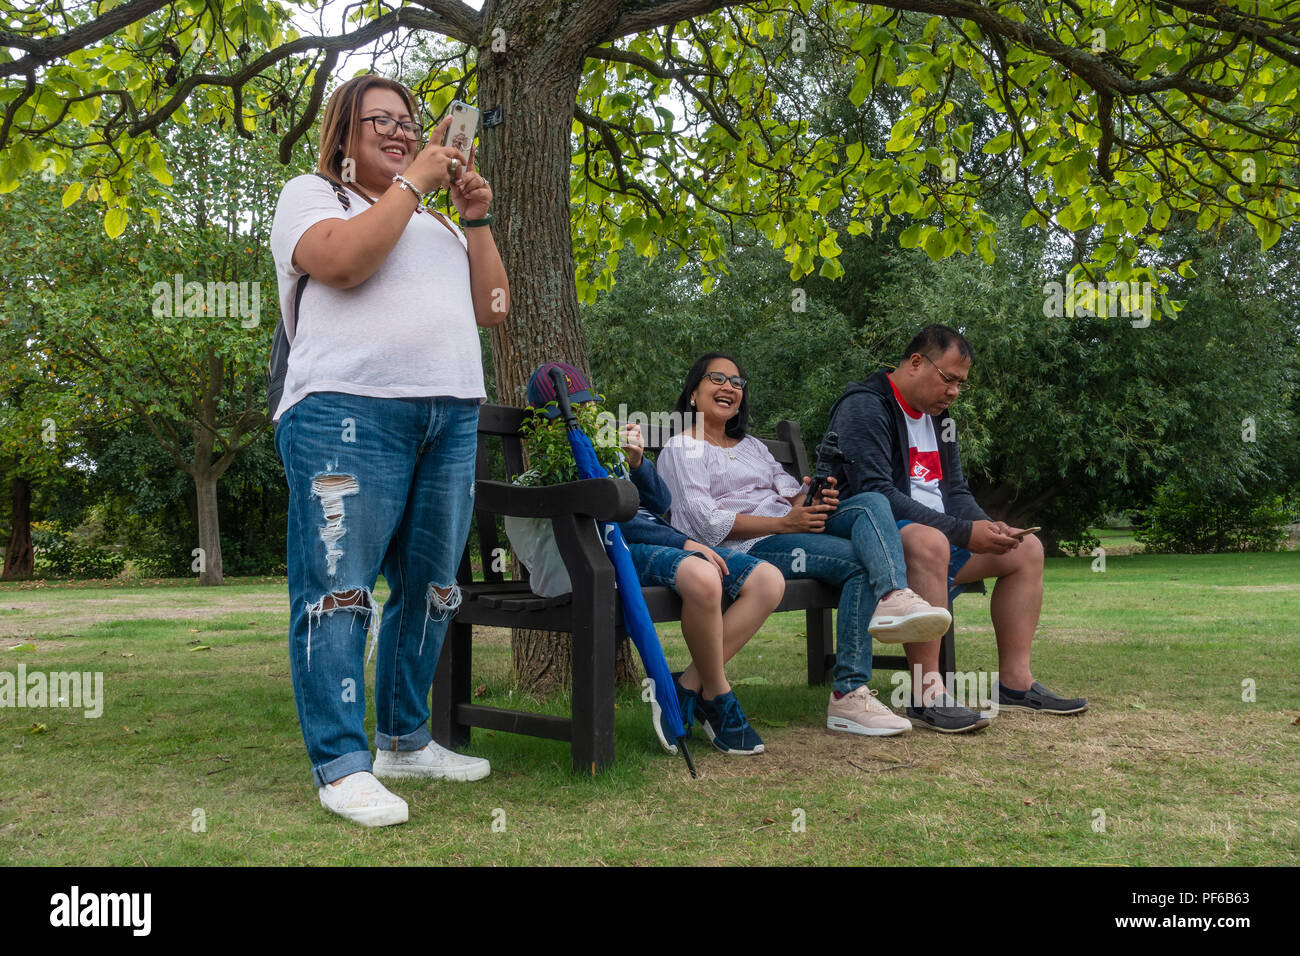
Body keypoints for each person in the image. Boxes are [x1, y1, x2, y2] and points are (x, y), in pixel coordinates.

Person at [269, 74, 509, 826]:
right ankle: (341, 765)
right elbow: (344, 265)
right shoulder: (312, 197)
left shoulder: (435, 223)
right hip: (345, 412)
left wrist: (474, 220)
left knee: (433, 588)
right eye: (383, 120)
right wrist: (413, 182)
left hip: (448, 416)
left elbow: (492, 309)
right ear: (343, 133)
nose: (403, 131)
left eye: (410, 122)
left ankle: (405, 739)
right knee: (338, 590)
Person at [657, 353, 953, 738]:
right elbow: (706, 524)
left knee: (872, 502)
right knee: (860, 565)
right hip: (748, 547)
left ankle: (894, 594)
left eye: (737, 382)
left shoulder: (751, 447)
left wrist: (811, 499)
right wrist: (785, 521)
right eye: (717, 378)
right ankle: (849, 691)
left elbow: (789, 494)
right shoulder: (682, 448)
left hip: (789, 529)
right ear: (693, 392)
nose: (729, 387)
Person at [826, 324, 1088, 733]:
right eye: (948, 380)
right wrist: (963, 532)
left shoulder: (940, 420)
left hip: (938, 539)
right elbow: (874, 493)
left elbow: (956, 492)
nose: (953, 393)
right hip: (877, 542)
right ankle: (925, 693)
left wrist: (986, 526)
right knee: (930, 542)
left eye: (961, 385)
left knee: (1027, 549)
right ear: (916, 362)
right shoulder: (866, 404)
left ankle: (1015, 684)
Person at [525, 363, 785, 756]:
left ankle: (686, 688)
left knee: (769, 581)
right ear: (549, 420)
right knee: (703, 577)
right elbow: (613, 520)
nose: (584, 416)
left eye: (588, 407)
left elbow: (659, 503)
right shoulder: (562, 456)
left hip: (662, 540)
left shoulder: (602, 444)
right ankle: (718, 695)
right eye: (573, 410)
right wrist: (683, 543)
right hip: (616, 550)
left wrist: (637, 464)